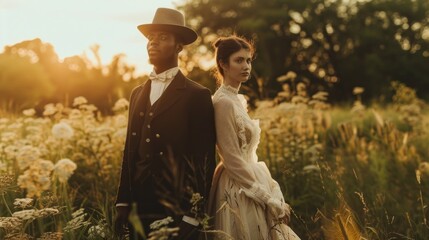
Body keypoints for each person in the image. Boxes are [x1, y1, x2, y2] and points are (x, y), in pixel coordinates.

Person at [114, 8, 216, 239]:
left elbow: (204, 158)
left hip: (177, 209)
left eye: (162, 38)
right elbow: (130, 151)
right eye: (151, 38)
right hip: (138, 204)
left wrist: (194, 214)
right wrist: (122, 201)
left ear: (178, 46)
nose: (153, 42)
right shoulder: (137, 93)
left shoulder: (196, 94)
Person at [209, 36, 300, 240]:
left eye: (248, 60)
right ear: (223, 64)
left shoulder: (238, 99)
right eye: (238, 60)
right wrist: (267, 198)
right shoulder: (223, 102)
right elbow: (231, 158)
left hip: (252, 176)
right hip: (238, 187)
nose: (246, 66)